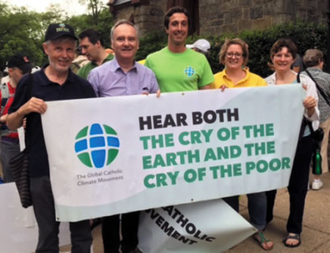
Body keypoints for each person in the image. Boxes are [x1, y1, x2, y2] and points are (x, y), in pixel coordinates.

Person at [7, 23, 95, 253]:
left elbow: (96, 124)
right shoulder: (30, 82)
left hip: (78, 171)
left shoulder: (83, 87)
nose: (64, 55)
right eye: (58, 48)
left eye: (69, 49)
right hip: (41, 170)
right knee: (47, 236)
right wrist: (23, 109)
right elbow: (12, 123)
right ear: (46, 49)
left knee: (82, 234)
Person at [88, 20, 159, 253]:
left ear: (137, 43)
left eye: (130, 39)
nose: (126, 43)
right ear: (112, 44)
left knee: (133, 203)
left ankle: (130, 246)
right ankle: (110, 249)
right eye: (121, 39)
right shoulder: (97, 76)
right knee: (109, 207)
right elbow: (86, 115)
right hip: (109, 150)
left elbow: (157, 112)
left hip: (138, 151)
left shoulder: (148, 75)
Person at [211, 38, 272, 251]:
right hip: (224, 145)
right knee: (228, 188)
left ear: (244, 58)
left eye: (238, 54)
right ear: (224, 56)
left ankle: (258, 228)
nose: (234, 57)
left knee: (256, 188)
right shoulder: (213, 80)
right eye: (230, 53)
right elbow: (203, 109)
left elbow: (268, 109)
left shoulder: (258, 82)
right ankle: (233, 228)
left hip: (251, 143)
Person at [265, 38, 319, 248]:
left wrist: (311, 106)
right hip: (272, 142)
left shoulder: (305, 83)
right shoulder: (265, 83)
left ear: (293, 58)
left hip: (300, 141)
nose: (283, 58)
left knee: (297, 187)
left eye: (287, 55)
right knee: (268, 184)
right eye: (279, 54)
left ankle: (294, 228)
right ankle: (265, 218)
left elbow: (314, 117)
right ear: (272, 57)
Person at [145, 6, 214, 92]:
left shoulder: (200, 59)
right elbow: (144, 93)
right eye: (175, 24)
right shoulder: (151, 60)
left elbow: (207, 97)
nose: (180, 28)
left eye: (184, 24)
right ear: (167, 29)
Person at [0, 53, 33, 183]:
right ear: (11, 71)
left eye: (29, 72)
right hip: (9, 143)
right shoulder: (3, 93)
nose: (27, 76)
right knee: (12, 184)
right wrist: (4, 119)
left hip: (31, 141)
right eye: (23, 72)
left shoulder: (35, 89)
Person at [302, 49, 330, 190]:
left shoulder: (299, 77)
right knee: (321, 149)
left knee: (304, 149)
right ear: (320, 61)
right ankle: (317, 179)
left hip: (304, 118)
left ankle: (304, 179)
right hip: (324, 117)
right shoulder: (327, 78)